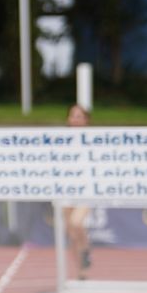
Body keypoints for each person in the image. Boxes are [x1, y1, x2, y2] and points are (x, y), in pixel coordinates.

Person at [61, 104, 95, 279]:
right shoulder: (62, 141)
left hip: (86, 189)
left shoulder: (93, 140)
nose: (75, 119)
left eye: (79, 116)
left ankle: (86, 251)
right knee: (71, 233)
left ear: (86, 120)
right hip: (67, 189)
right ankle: (81, 271)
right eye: (73, 116)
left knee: (76, 223)